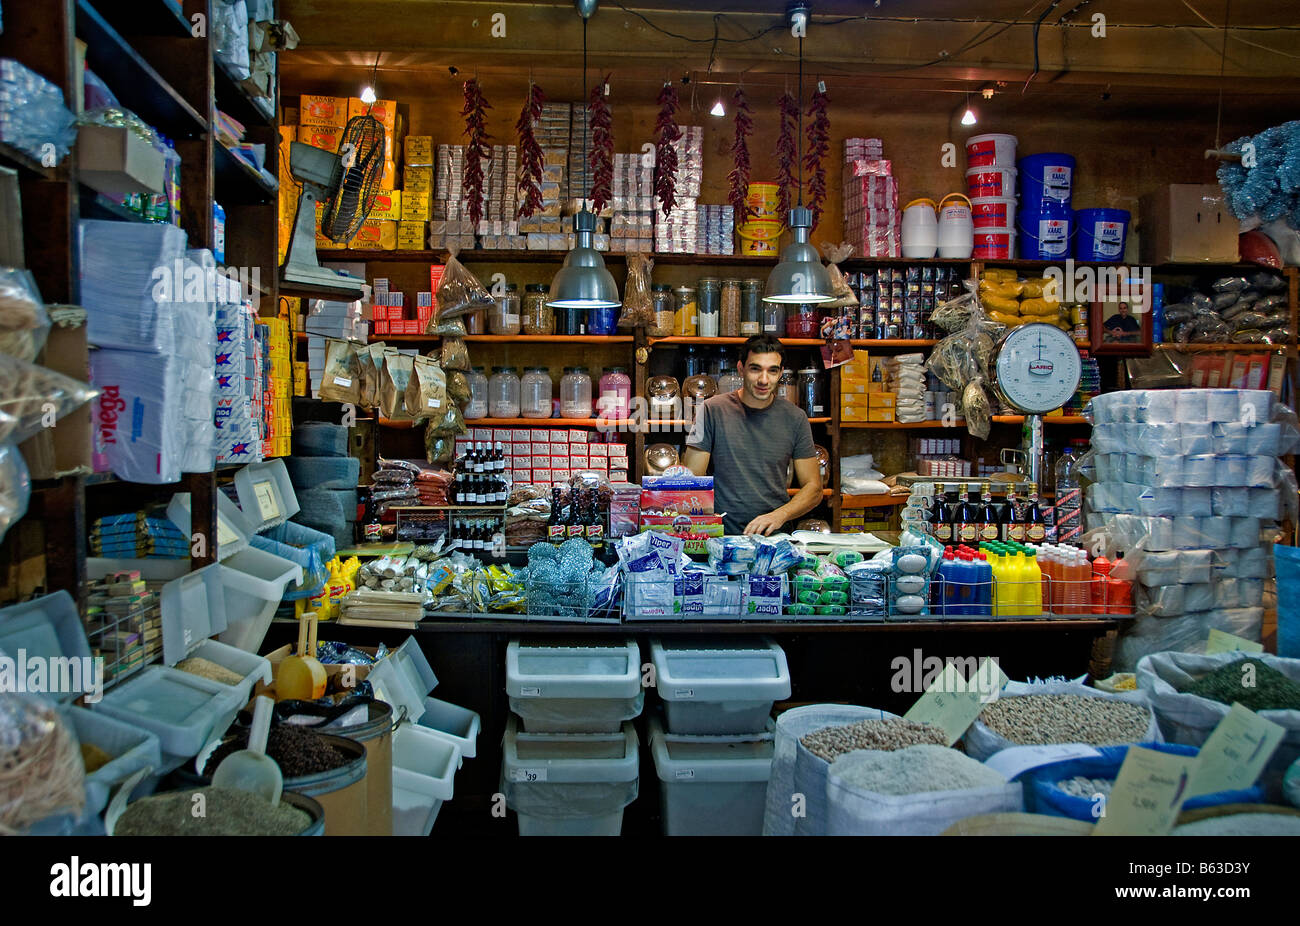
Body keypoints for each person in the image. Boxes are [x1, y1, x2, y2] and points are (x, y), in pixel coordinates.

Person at [682, 334, 823, 535]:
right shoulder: (710, 410)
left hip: (774, 539)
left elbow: (814, 488)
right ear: (741, 369)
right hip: (721, 537)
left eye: (772, 371)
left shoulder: (795, 418)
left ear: (781, 372)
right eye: (755, 369)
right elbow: (691, 481)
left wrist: (779, 515)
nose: (764, 380)